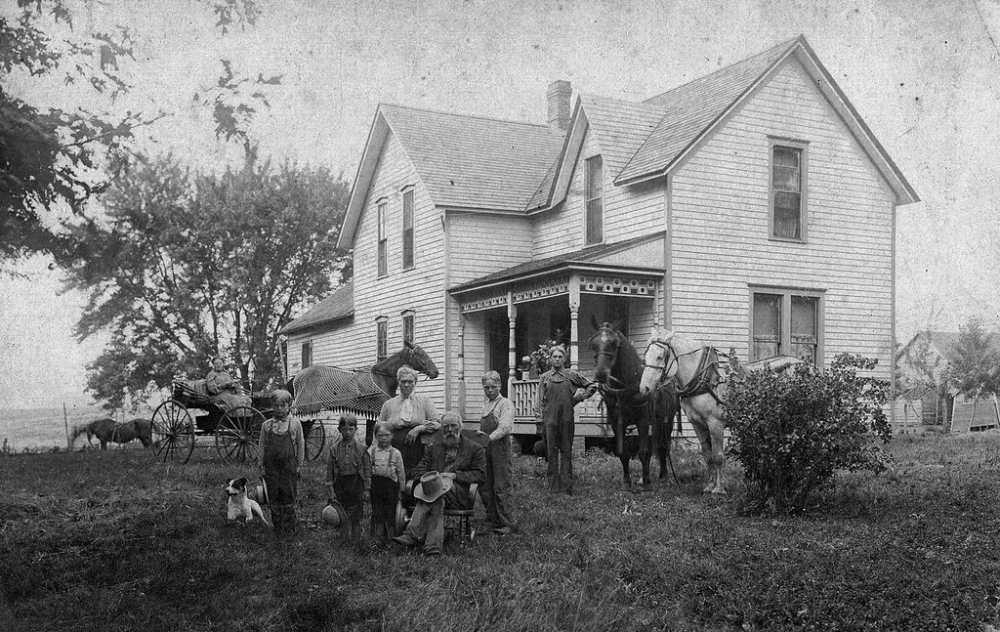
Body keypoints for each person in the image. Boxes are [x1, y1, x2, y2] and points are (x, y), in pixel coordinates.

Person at [393, 411, 486, 556]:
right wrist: (431, 477)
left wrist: (455, 475)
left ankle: (411, 534)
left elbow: (480, 475)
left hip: (458, 493)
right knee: (437, 498)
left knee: (435, 493)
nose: (450, 430)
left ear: (460, 427)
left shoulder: (475, 449)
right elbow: (418, 470)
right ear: (442, 429)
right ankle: (433, 549)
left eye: (453, 426)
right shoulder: (433, 448)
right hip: (437, 493)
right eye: (446, 426)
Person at [533, 345, 596, 495]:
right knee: (551, 453)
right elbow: (539, 401)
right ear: (550, 358)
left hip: (566, 420)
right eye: (554, 356)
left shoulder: (571, 375)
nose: (557, 359)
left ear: (564, 359)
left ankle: (567, 488)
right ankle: (554, 488)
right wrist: (539, 422)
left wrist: (578, 398)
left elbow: (591, 386)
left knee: (566, 453)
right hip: (550, 420)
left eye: (560, 357)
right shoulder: (545, 377)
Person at [475, 370, 518, 535]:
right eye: (486, 387)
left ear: (499, 385)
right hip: (486, 449)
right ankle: (492, 519)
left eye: (493, 387)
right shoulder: (486, 405)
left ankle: (508, 523)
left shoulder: (505, 404)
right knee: (486, 485)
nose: (490, 390)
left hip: (500, 448)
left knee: (502, 485)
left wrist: (489, 438)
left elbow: (505, 427)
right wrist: (480, 438)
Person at [257, 389, 305, 535]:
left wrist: (299, 464)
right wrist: (260, 465)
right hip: (271, 468)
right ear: (272, 405)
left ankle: (289, 529)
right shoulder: (266, 425)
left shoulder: (295, 424)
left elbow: (301, 444)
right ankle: (277, 528)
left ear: (289, 406)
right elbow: (261, 446)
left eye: (283, 405)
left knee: (288, 497)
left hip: (289, 467)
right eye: (276, 405)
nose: (279, 409)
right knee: (274, 498)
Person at [325, 413, 371, 542]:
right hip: (340, 484)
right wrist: (330, 489)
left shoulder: (362, 449)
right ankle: (343, 539)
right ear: (339, 430)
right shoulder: (334, 449)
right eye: (344, 429)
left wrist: (367, 489)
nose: (348, 432)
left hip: (356, 484)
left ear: (356, 430)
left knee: (356, 516)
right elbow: (329, 471)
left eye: (351, 429)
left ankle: (356, 540)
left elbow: (367, 470)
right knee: (341, 513)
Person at [377, 365, 441, 446]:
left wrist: (419, 429)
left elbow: (437, 423)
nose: (406, 385)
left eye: (410, 382)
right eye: (403, 381)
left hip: (419, 448)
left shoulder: (425, 401)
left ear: (415, 382)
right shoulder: (388, 404)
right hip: (394, 448)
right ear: (398, 382)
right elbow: (380, 428)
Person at [368, 421, 406, 540]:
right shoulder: (371, 452)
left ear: (392, 435)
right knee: (378, 513)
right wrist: (367, 489)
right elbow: (367, 472)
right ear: (375, 436)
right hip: (376, 487)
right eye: (380, 435)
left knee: (391, 514)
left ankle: (391, 539)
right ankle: (379, 539)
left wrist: (401, 490)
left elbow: (401, 473)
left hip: (391, 488)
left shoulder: (396, 453)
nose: (384, 438)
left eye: (387, 435)